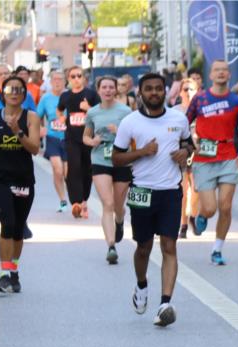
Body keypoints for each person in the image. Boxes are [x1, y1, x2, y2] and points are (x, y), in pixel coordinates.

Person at [113, 73, 193, 327]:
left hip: (170, 191)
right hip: (142, 191)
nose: (155, 93)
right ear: (141, 92)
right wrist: (142, 152)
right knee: (144, 247)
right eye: (149, 89)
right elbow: (117, 158)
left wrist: (185, 153)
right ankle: (141, 284)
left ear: (164, 91)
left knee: (169, 246)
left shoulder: (179, 119)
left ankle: (165, 303)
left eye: (159, 89)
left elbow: (190, 145)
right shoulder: (130, 122)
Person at [0, 75, 41, 294]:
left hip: (23, 178)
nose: (14, 93)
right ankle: (4, 274)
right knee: (8, 222)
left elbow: (34, 148)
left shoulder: (31, 117)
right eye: (10, 90)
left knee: (18, 229)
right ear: (2, 94)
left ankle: (13, 272)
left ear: (24, 95)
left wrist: (17, 132)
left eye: (19, 90)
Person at [185, 59, 238, 265]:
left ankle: (217, 249)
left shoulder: (236, 101)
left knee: (226, 206)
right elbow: (184, 123)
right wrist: (188, 145)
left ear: (229, 75)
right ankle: (201, 215)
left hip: (228, 156)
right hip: (204, 157)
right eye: (216, 69)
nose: (221, 73)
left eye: (224, 70)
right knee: (211, 208)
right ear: (210, 75)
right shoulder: (200, 99)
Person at [84, 76, 132, 265]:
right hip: (100, 159)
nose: (108, 90)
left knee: (118, 206)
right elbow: (85, 137)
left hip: (121, 159)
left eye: (111, 87)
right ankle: (111, 246)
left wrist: (119, 130)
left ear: (116, 90)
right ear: (98, 90)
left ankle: (120, 221)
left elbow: (135, 135)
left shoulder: (126, 111)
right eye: (104, 87)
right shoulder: (92, 113)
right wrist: (92, 141)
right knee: (108, 203)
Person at [58, 66, 100, 219]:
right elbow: (59, 110)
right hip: (71, 137)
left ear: (83, 78)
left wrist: (87, 108)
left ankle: (84, 199)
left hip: (88, 137)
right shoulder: (65, 96)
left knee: (87, 169)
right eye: (73, 76)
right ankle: (75, 201)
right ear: (69, 79)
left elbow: (100, 113)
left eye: (79, 76)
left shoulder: (91, 94)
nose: (76, 79)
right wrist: (61, 117)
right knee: (74, 167)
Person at [37, 70, 69, 212]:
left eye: (60, 79)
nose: (57, 82)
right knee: (58, 170)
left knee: (68, 173)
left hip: (69, 138)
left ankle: (73, 200)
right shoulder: (46, 98)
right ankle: (63, 201)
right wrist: (40, 129)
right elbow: (36, 116)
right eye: (55, 79)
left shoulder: (70, 96)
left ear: (64, 82)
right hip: (52, 137)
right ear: (50, 82)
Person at [173, 78, 200, 238]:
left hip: (199, 153)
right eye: (185, 89)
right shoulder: (175, 111)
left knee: (197, 189)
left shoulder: (202, 109)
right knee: (182, 191)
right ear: (180, 92)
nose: (188, 92)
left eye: (191, 89)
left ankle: (193, 217)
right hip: (182, 153)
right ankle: (183, 224)